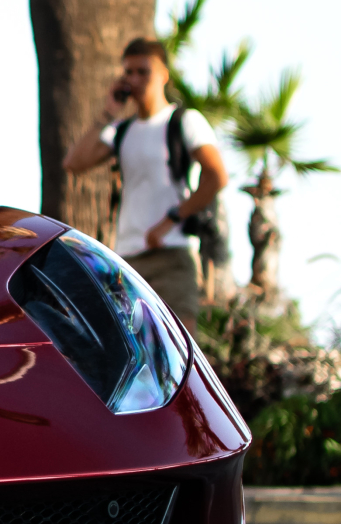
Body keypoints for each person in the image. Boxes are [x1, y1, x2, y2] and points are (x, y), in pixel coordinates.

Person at [63, 37, 227, 321]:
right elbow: (74, 163)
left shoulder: (184, 121)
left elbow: (216, 176)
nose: (135, 79)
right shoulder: (122, 130)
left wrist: (171, 220)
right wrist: (108, 112)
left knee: (179, 354)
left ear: (164, 74)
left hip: (171, 254)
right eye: (129, 72)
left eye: (143, 71)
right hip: (127, 260)